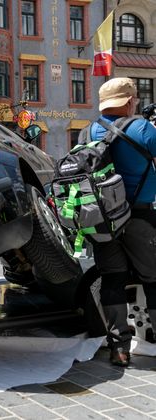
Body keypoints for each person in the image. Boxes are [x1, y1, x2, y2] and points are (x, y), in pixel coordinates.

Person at [86, 77, 156, 367]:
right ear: (129, 101)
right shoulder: (142, 128)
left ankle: (119, 349)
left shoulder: (89, 131)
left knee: (113, 279)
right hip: (139, 216)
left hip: (102, 220)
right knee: (153, 277)